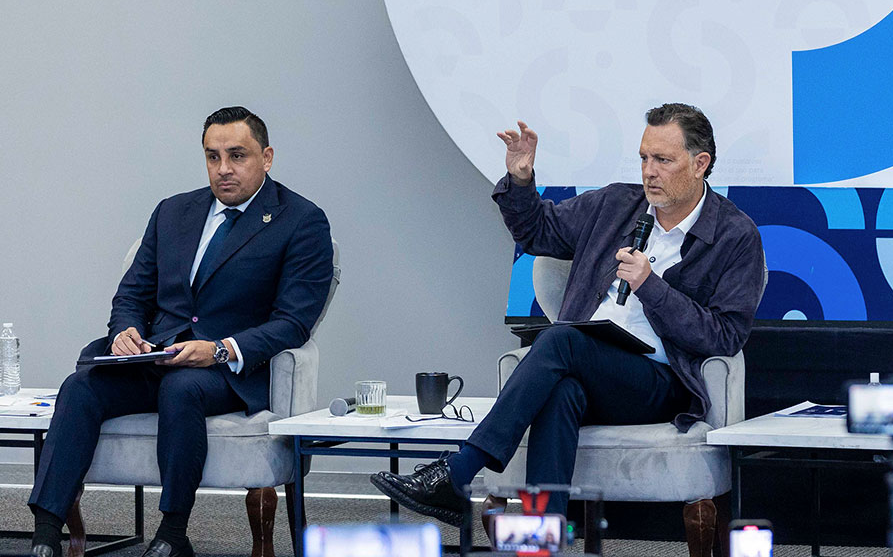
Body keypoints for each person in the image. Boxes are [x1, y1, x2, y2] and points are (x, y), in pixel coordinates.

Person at [372, 103, 766, 524]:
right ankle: (544, 538)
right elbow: (537, 232)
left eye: (663, 160)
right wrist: (521, 180)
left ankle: (459, 471)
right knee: (562, 392)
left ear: (700, 163)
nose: (649, 172)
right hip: (589, 368)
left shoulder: (735, 235)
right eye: (644, 158)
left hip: (659, 382)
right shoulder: (616, 204)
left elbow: (725, 336)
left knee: (560, 338)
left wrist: (651, 286)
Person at [28, 106, 335, 557]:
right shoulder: (172, 212)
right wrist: (126, 332)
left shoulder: (301, 221)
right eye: (213, 156)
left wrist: (220, 349)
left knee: (182, 389)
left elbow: (293, 321)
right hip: (155, 357)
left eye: (237, 156)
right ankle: (45, 532)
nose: (223, 168)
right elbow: (132, 294)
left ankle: (173, 534)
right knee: (81, 387)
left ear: (266, 157)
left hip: (226, 371)